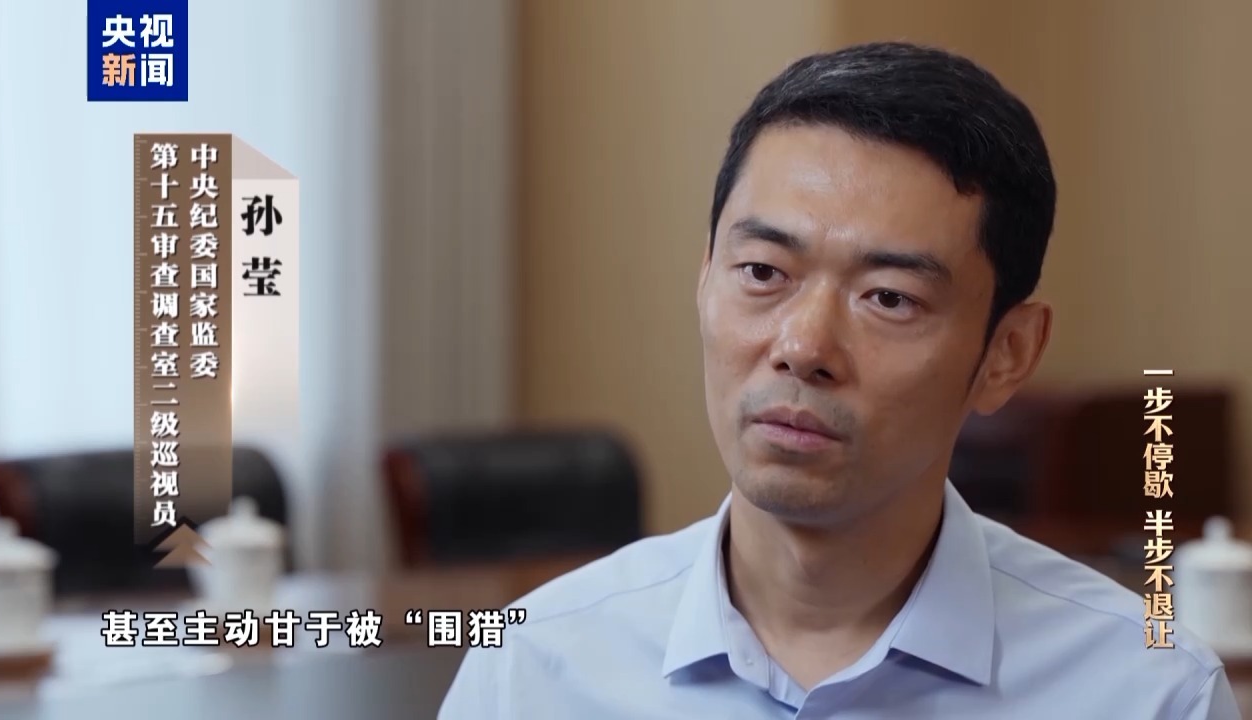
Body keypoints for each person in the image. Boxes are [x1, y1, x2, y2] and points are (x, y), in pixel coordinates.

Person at [438, 41, 1238, 719]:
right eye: (762, 271)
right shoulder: (535, 667)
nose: (802, 346)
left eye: (888, 297)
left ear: (1007, 353)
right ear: (705, 279)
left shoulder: (1145, 690)